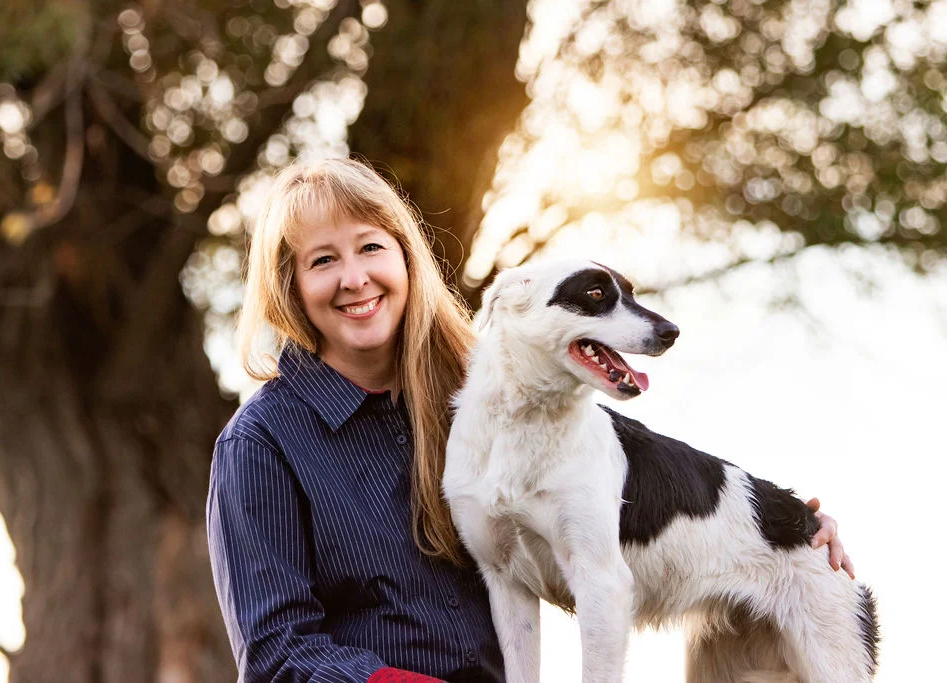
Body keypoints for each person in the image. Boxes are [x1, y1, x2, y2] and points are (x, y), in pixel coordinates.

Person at [206, 157, 853, 683]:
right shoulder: (261, 443)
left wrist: (789, 522)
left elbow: (622, 461)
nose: (354, 278)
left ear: (404, 258)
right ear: (290, 285)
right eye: (323, 260)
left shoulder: (487, 391)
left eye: (370, 247)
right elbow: (276, 653)